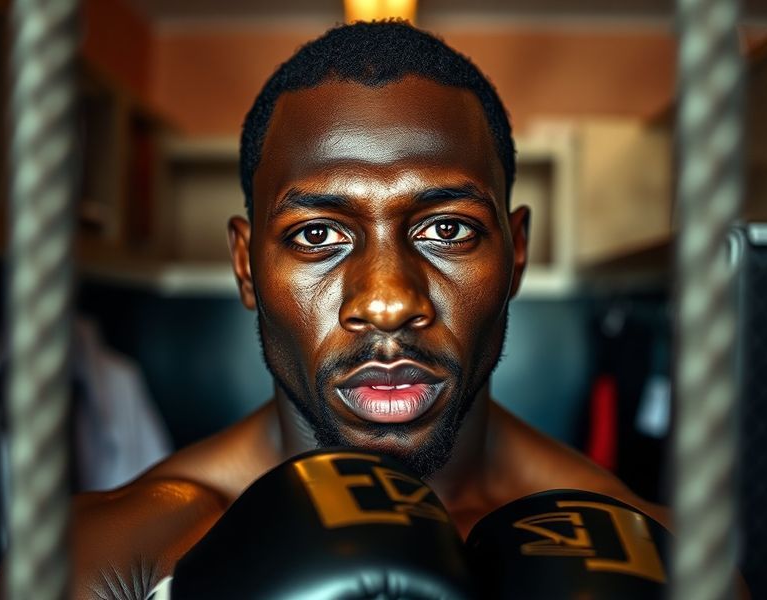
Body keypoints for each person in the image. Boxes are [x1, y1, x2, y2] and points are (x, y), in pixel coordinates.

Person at [63, 21, 673, 599]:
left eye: (448, 228)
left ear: (516, 256)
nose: (386, 304)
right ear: (246, 265)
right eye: (318, 236)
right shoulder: (112, 560)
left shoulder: (673, 560)